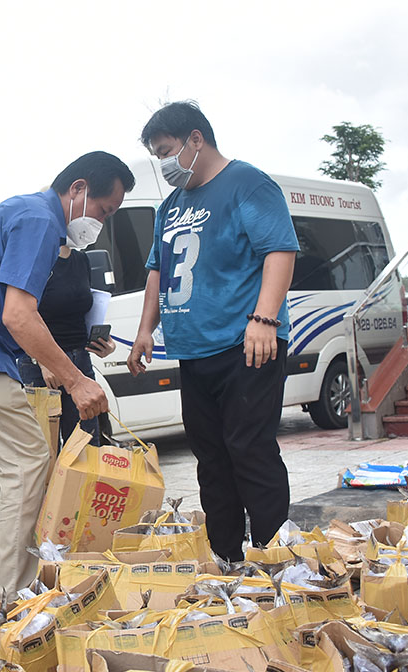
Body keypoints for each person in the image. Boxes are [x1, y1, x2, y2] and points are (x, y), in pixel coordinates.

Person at [0, 151, 134, 594]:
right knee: (28, 460)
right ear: (78, 189)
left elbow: (14, 313)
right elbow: (20, 314)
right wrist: (77, 380)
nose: (101, 222)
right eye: (103, 210)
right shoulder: (39, 220)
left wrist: (49, 361)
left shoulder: (23, 211)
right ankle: (10, 594)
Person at [126, 102, 299, 562]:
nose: (164, 164)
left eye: (166, 151)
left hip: (247, 344)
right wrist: (146, 330)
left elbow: (279, 251)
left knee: (249, 449)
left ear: (196, 139)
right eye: (156, 155)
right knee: (212, 458)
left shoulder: (248, 184)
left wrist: (264, 319)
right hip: (194, 350)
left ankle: (272, 555)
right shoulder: (170, 207)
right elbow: (157, 272)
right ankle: (227, 554)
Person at [15, 245, 116, 447]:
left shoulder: (81, 260)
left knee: (86, 445)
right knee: (45, 450)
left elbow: (81, 310)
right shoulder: (36, 259)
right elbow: (20, 317)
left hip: (80, 361)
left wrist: (103, 342)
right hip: (41, 366)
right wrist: (43, 362)